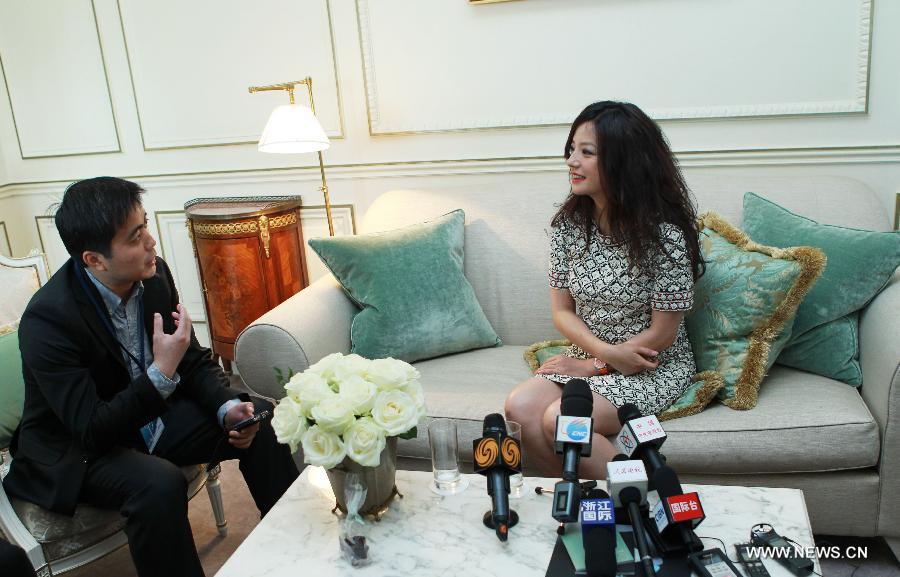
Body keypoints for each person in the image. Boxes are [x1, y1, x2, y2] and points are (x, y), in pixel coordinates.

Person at [3, 177, 299, 577]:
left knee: (259, 418)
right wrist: (161, 371)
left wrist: (228, 407)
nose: (152, 243)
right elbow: (90, 428)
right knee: (157, 484)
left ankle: (296, 552)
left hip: (148, 420)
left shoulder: (154, 274)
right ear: (95, 260)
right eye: (136, 236)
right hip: (80, 448)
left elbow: (190, 359)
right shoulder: (48, 319)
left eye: (145, 227)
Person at [505, 101, 704, 479]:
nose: (571, 161)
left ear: (623, 162)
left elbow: (663, 334)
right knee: (520, 407)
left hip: (651, 365)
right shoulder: (568, 227)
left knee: (562, 419)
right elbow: (562, 312)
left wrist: (596, 364)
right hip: (593, 355)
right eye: (571, 150)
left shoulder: (666, 237)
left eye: (587, 152)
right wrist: (597, 359)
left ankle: (640, 506)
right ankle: (578, 503)